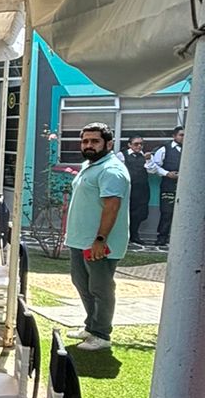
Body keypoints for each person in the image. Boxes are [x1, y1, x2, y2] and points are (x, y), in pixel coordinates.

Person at [65, 124, 130, 352]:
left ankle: (102, 334)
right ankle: (91, 327)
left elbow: (112, 207)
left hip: (99, 244)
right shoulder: (90, 165)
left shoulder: (111, 170)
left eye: (95, 141)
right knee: (82, 284)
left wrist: (100, 240)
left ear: (108, 144)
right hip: (80, 240)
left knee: (100, 289)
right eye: (85, 141)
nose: (89, 145)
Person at [146, 127, 184, 250]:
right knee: (167, 212)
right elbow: (155, 166)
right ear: (174, 136)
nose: (183, 137)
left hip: (186, 186)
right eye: (181, 135)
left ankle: (181, 239)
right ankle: (162, 238)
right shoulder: (164, 149)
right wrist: (167, 173)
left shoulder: (191, 148)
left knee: (185, 212)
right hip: (168, 184)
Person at [122, 136, 151, 248]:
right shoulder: (122, 155)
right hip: (128, 188)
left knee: (140, 213)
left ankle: (135, 235)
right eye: (136, 144)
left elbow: (152, 170)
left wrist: (148, 160)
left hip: (142, 188)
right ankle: (125, 235)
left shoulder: (145, 156)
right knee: (127, 212)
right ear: (129, 144)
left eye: (141, 144)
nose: (139, 146)